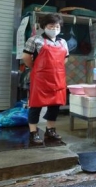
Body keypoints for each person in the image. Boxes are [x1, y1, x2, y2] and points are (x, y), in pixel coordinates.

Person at [22, 13, 69, 144]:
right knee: (35, 105)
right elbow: (26, 57)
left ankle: (50, 130)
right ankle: (33, 132)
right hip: (40, 78)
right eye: (51, 25)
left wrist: (56, 69)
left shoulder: (62, 42)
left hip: (58, 78)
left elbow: (65, 58)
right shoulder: (35, 40)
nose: (54, 28)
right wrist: (36, 68)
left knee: (55, 105)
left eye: (57, 26)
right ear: (44, 26)